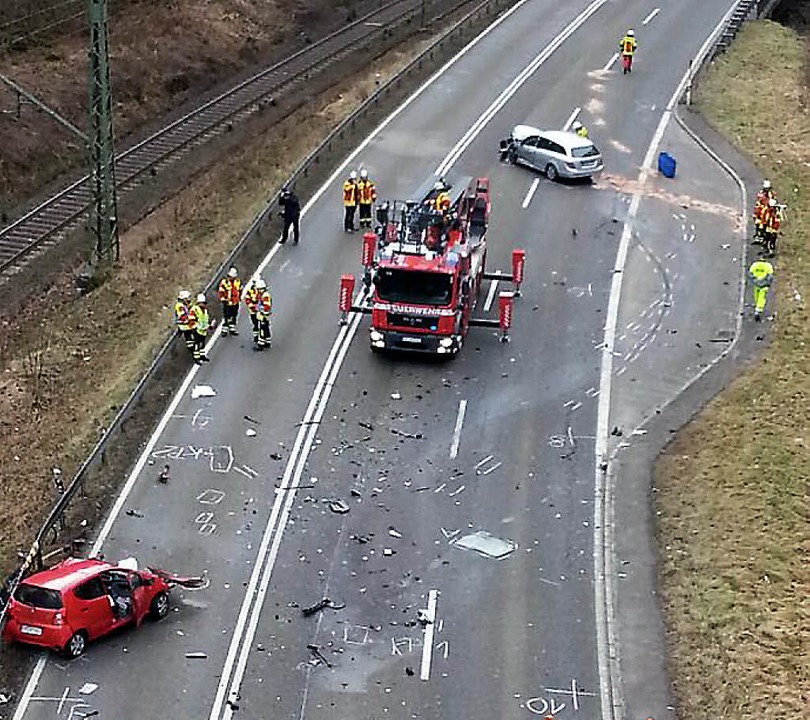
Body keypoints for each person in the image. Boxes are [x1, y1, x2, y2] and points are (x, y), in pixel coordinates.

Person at [748, 256, 774, 322]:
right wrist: (767, 283)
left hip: (756, 284)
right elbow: (770, 276)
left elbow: (750, 274)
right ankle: (758, 310)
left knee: (756, 297)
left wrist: (755, 281)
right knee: (762, 297)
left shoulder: (754, 265)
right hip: (764, 285)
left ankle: (757, 308)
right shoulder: (768, 266)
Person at [217, 267, 241, 335]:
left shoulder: (237, 281)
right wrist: (223, 300)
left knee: (234, 315)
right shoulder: (224, 282)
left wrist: (239, 298)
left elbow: (239, 290)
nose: (232, 278)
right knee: (227, 316)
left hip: (235, 302)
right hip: (227, 302)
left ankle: (232, 328)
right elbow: (221, 292)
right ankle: (224, 330)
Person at [189, 293, 211, 363]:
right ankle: (196, 358)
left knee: (202, 344)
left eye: (205, 303)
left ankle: (202, 355)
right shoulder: (194, 310)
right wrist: (196, 327)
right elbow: (191, 321)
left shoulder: (205, 310)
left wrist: (208, 326)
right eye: (203, 303)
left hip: (203, 330)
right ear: (199, 303)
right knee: (197, 344)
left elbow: (205, 319)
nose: (204, 304)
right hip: (196, 330)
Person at [174, 290, 194, 355]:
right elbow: (182, 316)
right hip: (184, 325)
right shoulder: (179, 306)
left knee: (190, 337)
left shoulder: (184, 304)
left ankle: (192, 346)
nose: (188, 299)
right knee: (190, 336)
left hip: (187, 324)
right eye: (187, 298)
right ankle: (192, 349)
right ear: (183, 299)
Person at [255, 278, 272, 350]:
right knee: (266, 329)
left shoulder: (265, 296)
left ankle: (261, 344)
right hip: (264, 315)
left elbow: (266, 306)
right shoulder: (264, 295)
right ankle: (267, 342)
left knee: (262, 330)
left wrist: (261, 311)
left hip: (264, 316)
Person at [244, 279, 260, 345]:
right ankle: (256, 336)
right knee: (255, 324)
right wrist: (253, 307)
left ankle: (262, 337)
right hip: (253, 312)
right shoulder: (250, 291)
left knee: (263, 324)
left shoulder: (261, 291)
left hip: (260, 312)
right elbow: (247, 300)